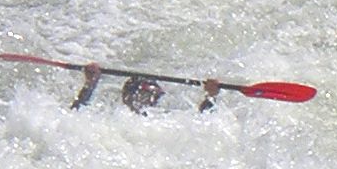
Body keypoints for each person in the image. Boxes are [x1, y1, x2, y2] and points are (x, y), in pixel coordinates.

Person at [69, 63, 223, 114]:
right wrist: (90, 84)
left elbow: (202, 123)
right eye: (143, 93)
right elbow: (74, 117)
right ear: (126, 98)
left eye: (153, 94)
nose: (150, 98)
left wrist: (211, 96)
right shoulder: (114, 120)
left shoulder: (166, 120)